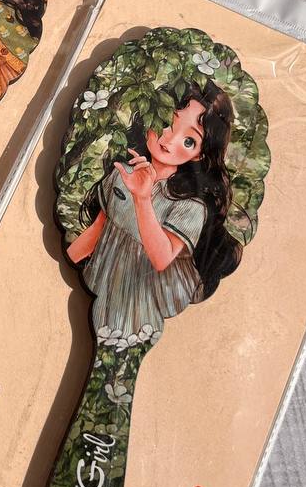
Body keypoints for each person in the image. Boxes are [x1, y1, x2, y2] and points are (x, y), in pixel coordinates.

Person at [66, 81, 242, 342]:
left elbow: (161, 258)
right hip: (103, 279)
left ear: (199, 154)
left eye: (189, 140)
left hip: (147, 300)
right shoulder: (123, 174)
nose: (169, 139)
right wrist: (64, 261)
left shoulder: (190, 206)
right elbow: (98, 230)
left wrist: (143, 198)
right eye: (168, 122)